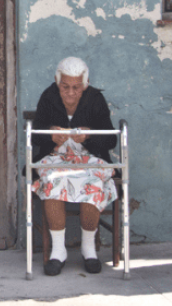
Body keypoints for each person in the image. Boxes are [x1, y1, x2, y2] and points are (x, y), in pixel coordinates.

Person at [31, 56, 117, 275]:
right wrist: (51, 134)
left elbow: (110, 140)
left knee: (93, 182)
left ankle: (89, 250)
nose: (70, 92)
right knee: (52, 180)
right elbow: (34, 135)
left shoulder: (95, 98)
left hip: (89, 157)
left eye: (76, 87)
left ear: (85, 84)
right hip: (55, 157)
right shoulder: (48, 96)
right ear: (57, 82)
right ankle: (58, 252)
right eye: (65, 86)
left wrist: (89, 135)